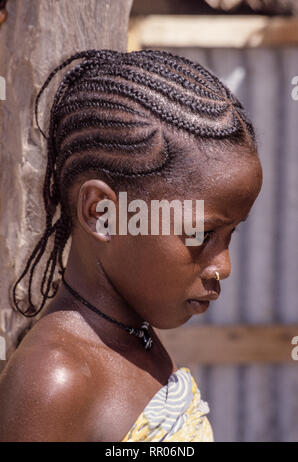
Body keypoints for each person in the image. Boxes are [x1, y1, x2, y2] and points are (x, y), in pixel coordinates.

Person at [0, 49, 262, 442]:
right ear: (103, 213)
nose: (223, 266)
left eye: (230, 235)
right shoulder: (55, 381)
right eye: (202, 235)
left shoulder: (134, 340)